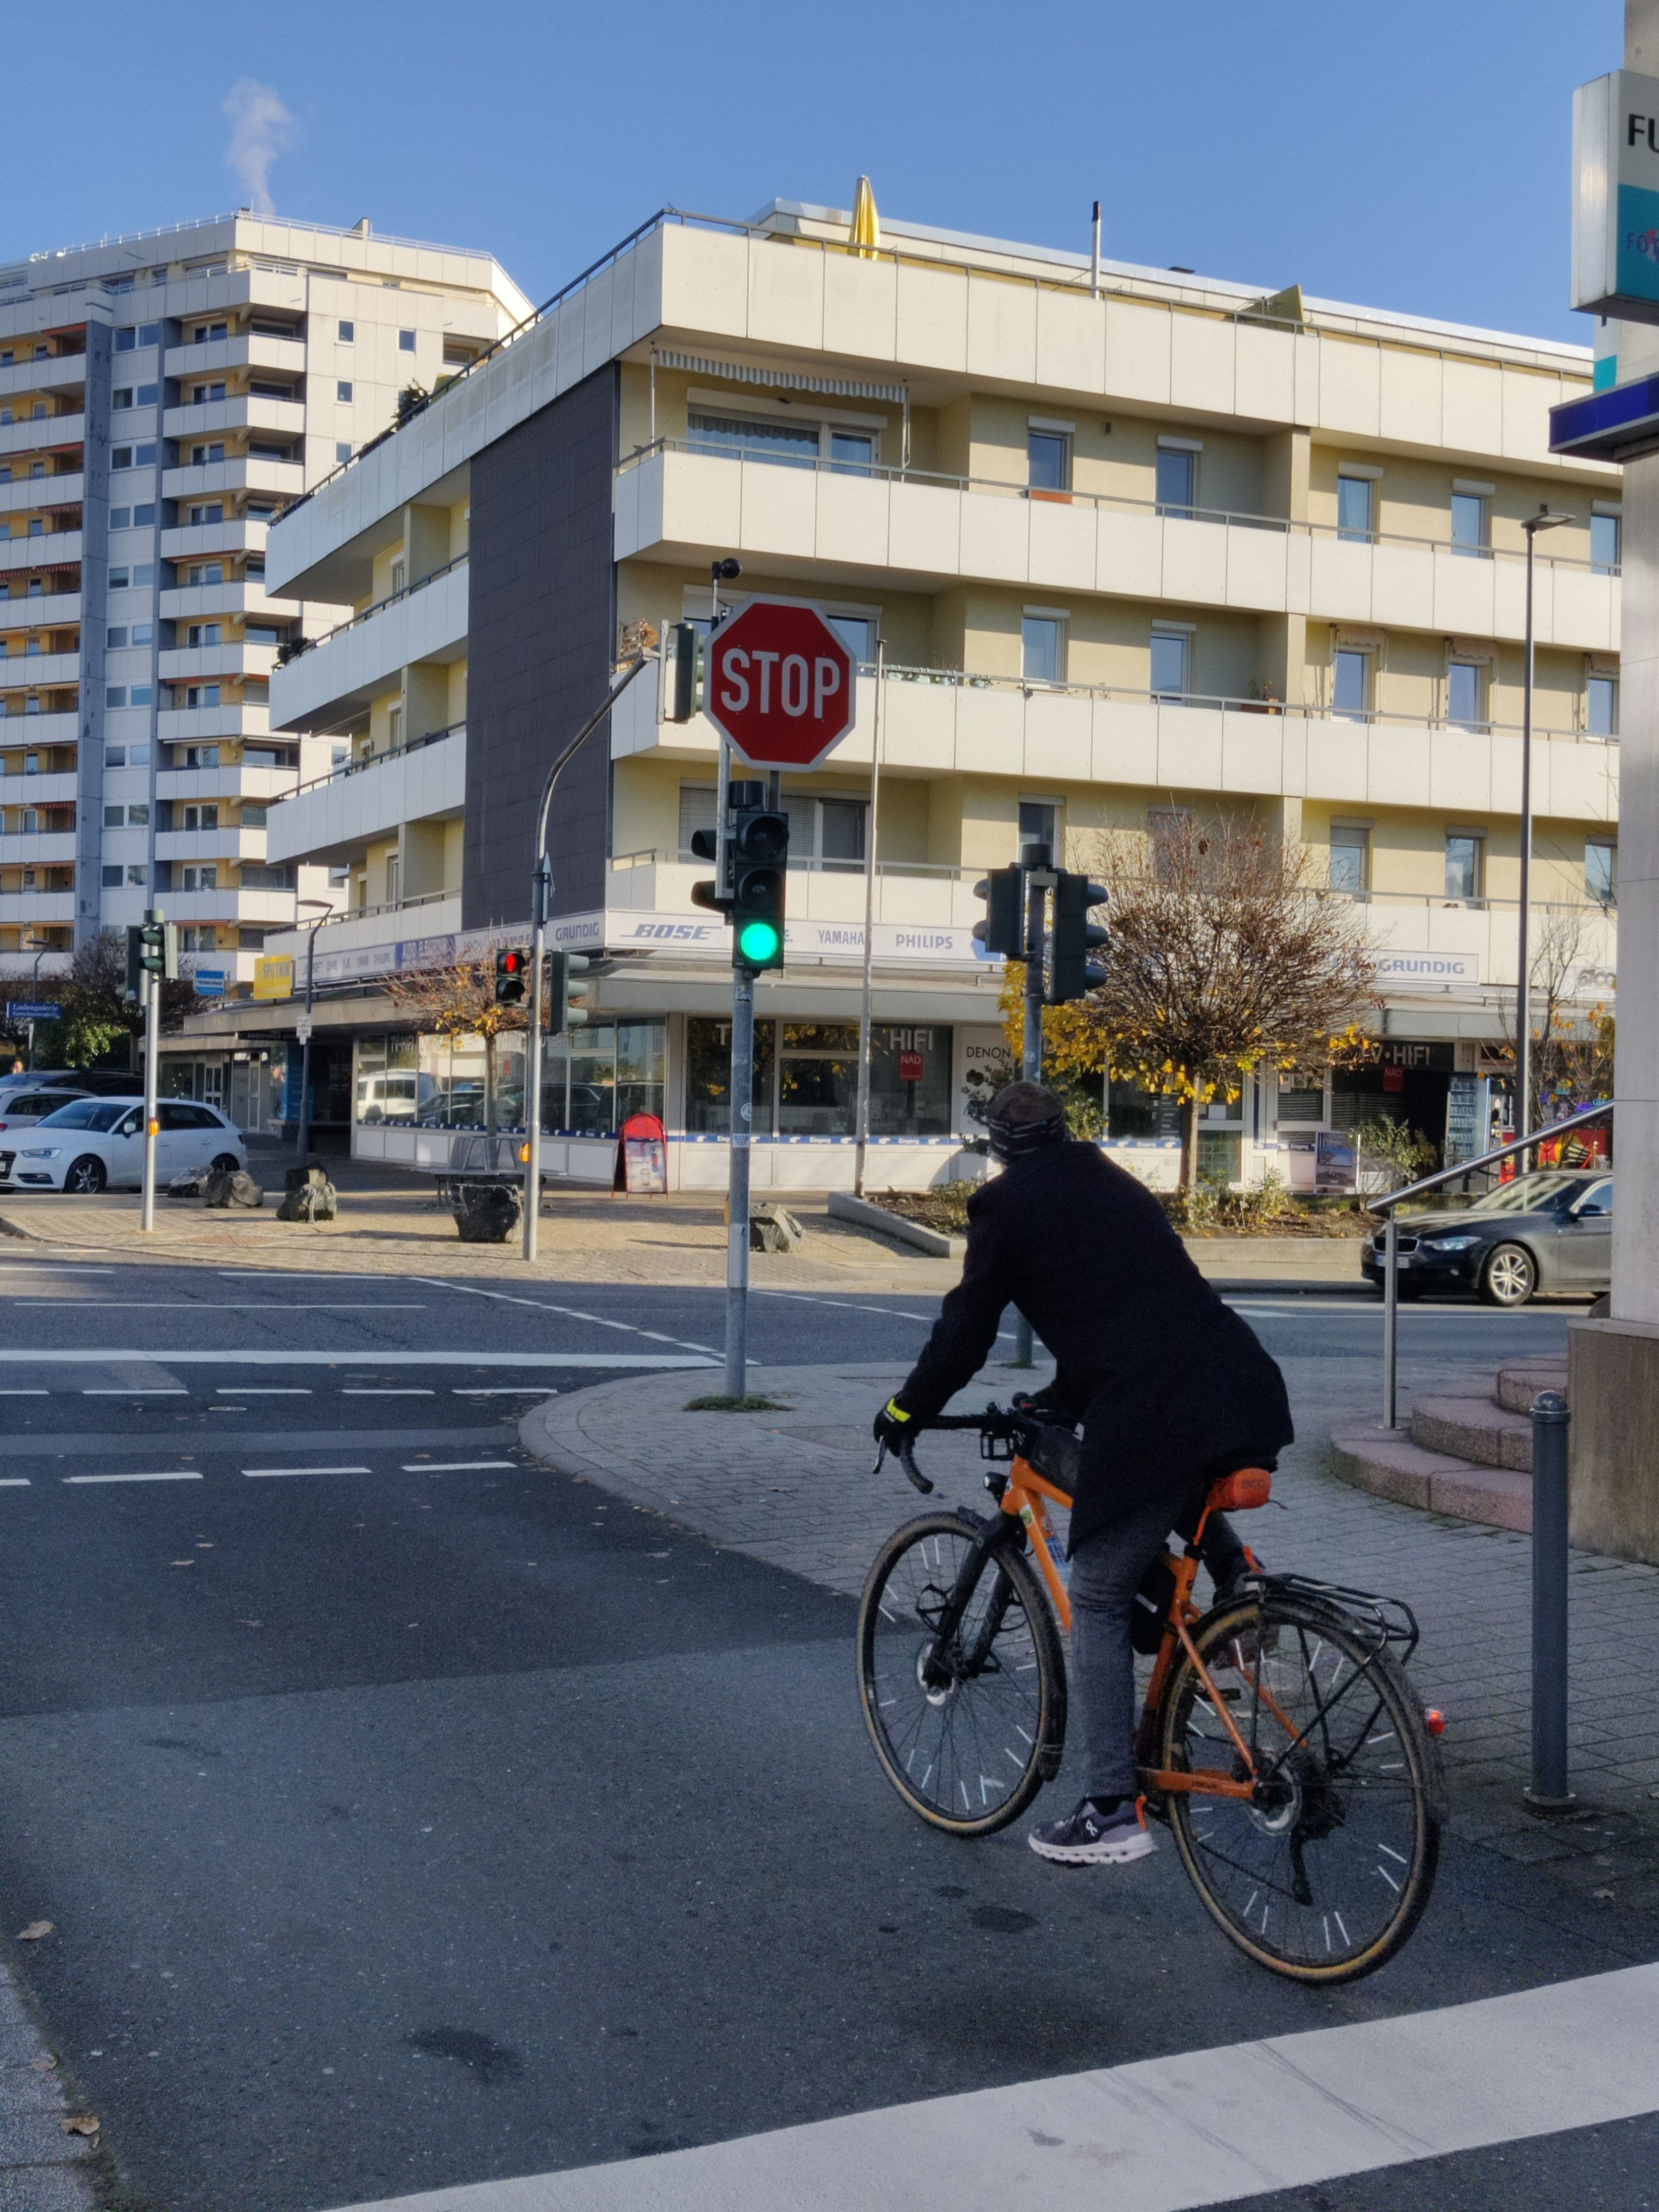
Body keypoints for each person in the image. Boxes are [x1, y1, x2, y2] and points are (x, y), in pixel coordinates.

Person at [874, 1080, 1293, 1869]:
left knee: (1097, 1594)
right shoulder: (1107, 1177)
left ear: (996, 1145)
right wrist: (1058, 1398)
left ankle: (1111, 1810)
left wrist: (907, 1409)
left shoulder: (1006, 1208)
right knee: (1154, 1479)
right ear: (1065, 1130)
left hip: (1156, 1404)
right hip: (1233, 1380)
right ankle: (1241, 1580)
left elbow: (965, 1332)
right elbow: (1124, 1308)